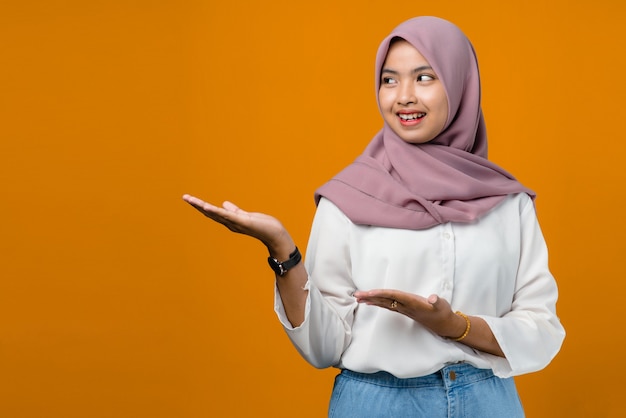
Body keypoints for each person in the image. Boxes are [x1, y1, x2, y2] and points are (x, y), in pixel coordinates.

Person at [183, 16, 565, 417]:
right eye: (389, 79)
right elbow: (323, 347)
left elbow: (542, 330)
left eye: (424, 77)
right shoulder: (348, 199)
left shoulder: (508, 203)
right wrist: (282, 249)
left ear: (460, 84)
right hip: (377, 403)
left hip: (488, 402)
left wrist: (454, 327)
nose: (403, 96)